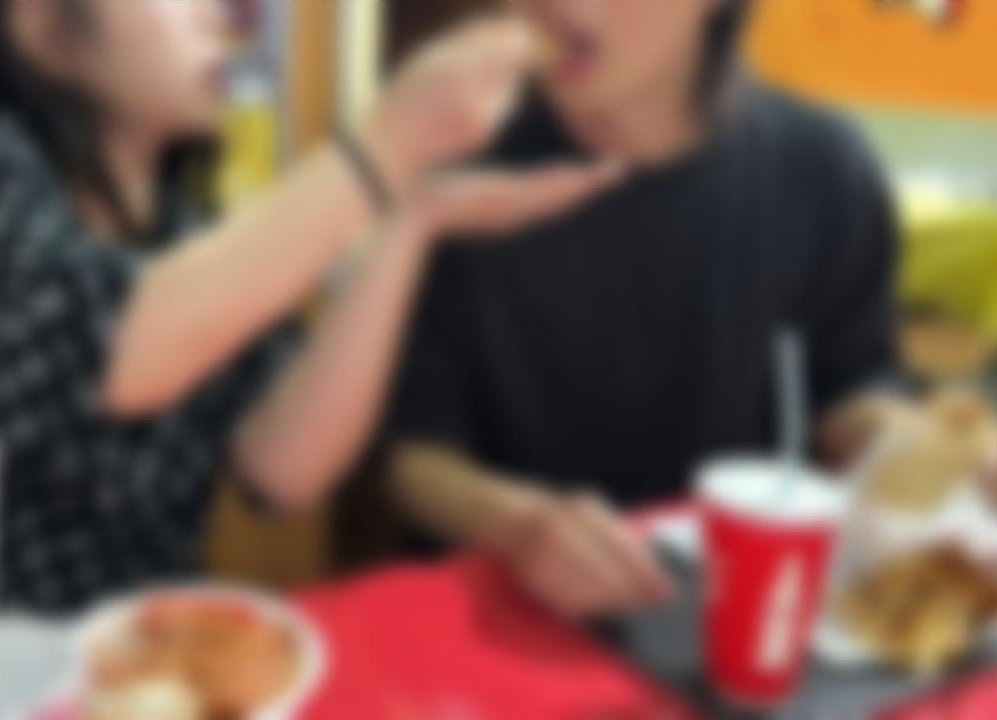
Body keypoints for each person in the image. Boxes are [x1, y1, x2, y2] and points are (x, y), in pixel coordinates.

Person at [0, 0, 620, 657]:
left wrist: (410, 221)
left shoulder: (188, 232)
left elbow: (284, 466)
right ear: (42, 25)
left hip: (111, 683)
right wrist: (384, 146)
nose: (231, 13)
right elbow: (114, 353)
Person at [386, 0, 919, 618]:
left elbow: (850, 387)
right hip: (500, 614)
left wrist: (916, 445)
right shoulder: (456, 173)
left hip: (731, 610)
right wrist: (519, 525)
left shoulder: (821, 166)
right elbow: (414, 455)